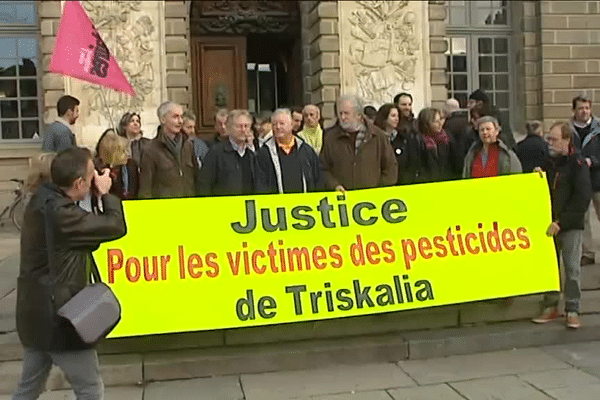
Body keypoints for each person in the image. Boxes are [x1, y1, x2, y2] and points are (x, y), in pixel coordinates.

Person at [13, 147, 126, 400]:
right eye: (91, 174)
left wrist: (94, 194)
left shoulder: (41, 201)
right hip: (61, 318)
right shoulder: (61, 213)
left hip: (35, 314)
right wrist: (107, 194)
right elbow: (114, 226)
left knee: (29, 387)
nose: (95, 176)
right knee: (90, 389)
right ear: (78, 182)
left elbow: (88, 236)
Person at [532, 121, 592, 329]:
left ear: (566, 140)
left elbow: (582, 198)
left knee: (572, 268)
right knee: (551, 268)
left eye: (554, 139)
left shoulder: (578, 165)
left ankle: (573, 309)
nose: (549, 143)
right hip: (550, 223)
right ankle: (550, 305)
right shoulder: (550, 163)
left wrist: (561, 222)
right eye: (548, 138)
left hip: (569, 224)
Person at [320, 95, 398, 191]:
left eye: (346, 113)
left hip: (373, 200)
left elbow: (390, 168)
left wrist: (379, 190)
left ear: (359, 114)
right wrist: (334, 185)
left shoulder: (378, 136)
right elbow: (323, 168)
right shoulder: (330, 138)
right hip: (343, 200)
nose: (343, 117)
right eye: (340, 113)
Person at [138, 101, 198, 199]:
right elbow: (145, 188)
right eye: (175, 117)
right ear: (163, 119)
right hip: (164, 208)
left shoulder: (188, 145)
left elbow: (196, 179)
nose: (180, 121)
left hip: (188, 206)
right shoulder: (150, 150)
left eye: (181, 117)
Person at [257, 109, 322, 194]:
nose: (278, 127)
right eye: (274, 124)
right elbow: (261, 185)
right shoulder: (264, 153)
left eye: (281, 123)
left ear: (291, 125)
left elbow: (317, 179)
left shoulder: (306, 150)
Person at [198, 110, 259, 196]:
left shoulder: (253, 154)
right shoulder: (216, 152)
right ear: (229, 128)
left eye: (246, 126)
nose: (243, 130)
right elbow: (205, 184)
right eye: (238, 126)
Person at [570, 96, 600, 266]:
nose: (584, 111)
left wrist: (592, 161)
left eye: (587, 108)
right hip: (578, 179)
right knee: (584, 218)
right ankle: (587, 253)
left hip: (597, 177)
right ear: (574, 110)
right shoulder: (568, 129)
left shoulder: (598, 128)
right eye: (581, 108)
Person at [375, 104, 422, 185]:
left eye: (398, 116)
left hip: (402, 183)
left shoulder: (404, 138)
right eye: (393, 116)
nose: (396, 119)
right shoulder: (376, 138)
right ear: (385, 117)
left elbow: (411, 163)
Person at [95, 129, 139, 200]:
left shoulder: (127, 166)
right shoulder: (99, 171)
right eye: (123, 151)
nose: (127, 154)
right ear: (113, 153)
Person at [417, 108, 453, 182]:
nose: (440, 123)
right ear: (427, 123)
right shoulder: (419, 140)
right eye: (436, 121)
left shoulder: (445, 138)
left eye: (440, 120)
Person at [444, 98, 472, 179]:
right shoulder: (466, 122)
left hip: (453, 162)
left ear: (448, 108)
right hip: (465, 159)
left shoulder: (448, 124)